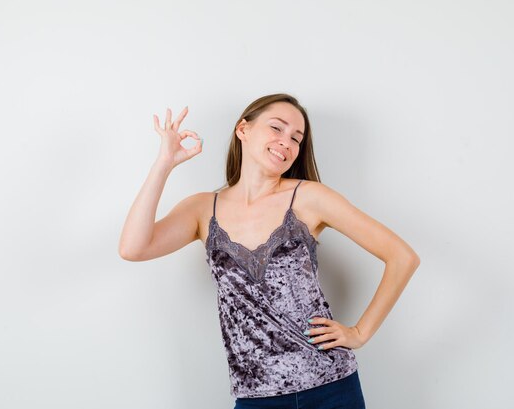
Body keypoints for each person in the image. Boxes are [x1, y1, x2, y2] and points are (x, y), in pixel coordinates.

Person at [118, 93, 420, 408]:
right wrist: (163, 164)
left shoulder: (310, 198)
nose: (286, 142)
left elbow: (402, 257)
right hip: (255, 396)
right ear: (243, 130)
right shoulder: (202, 208)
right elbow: (133, 248)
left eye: (296, 138)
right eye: (277, 128)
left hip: (331, 388)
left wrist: (359, 332)